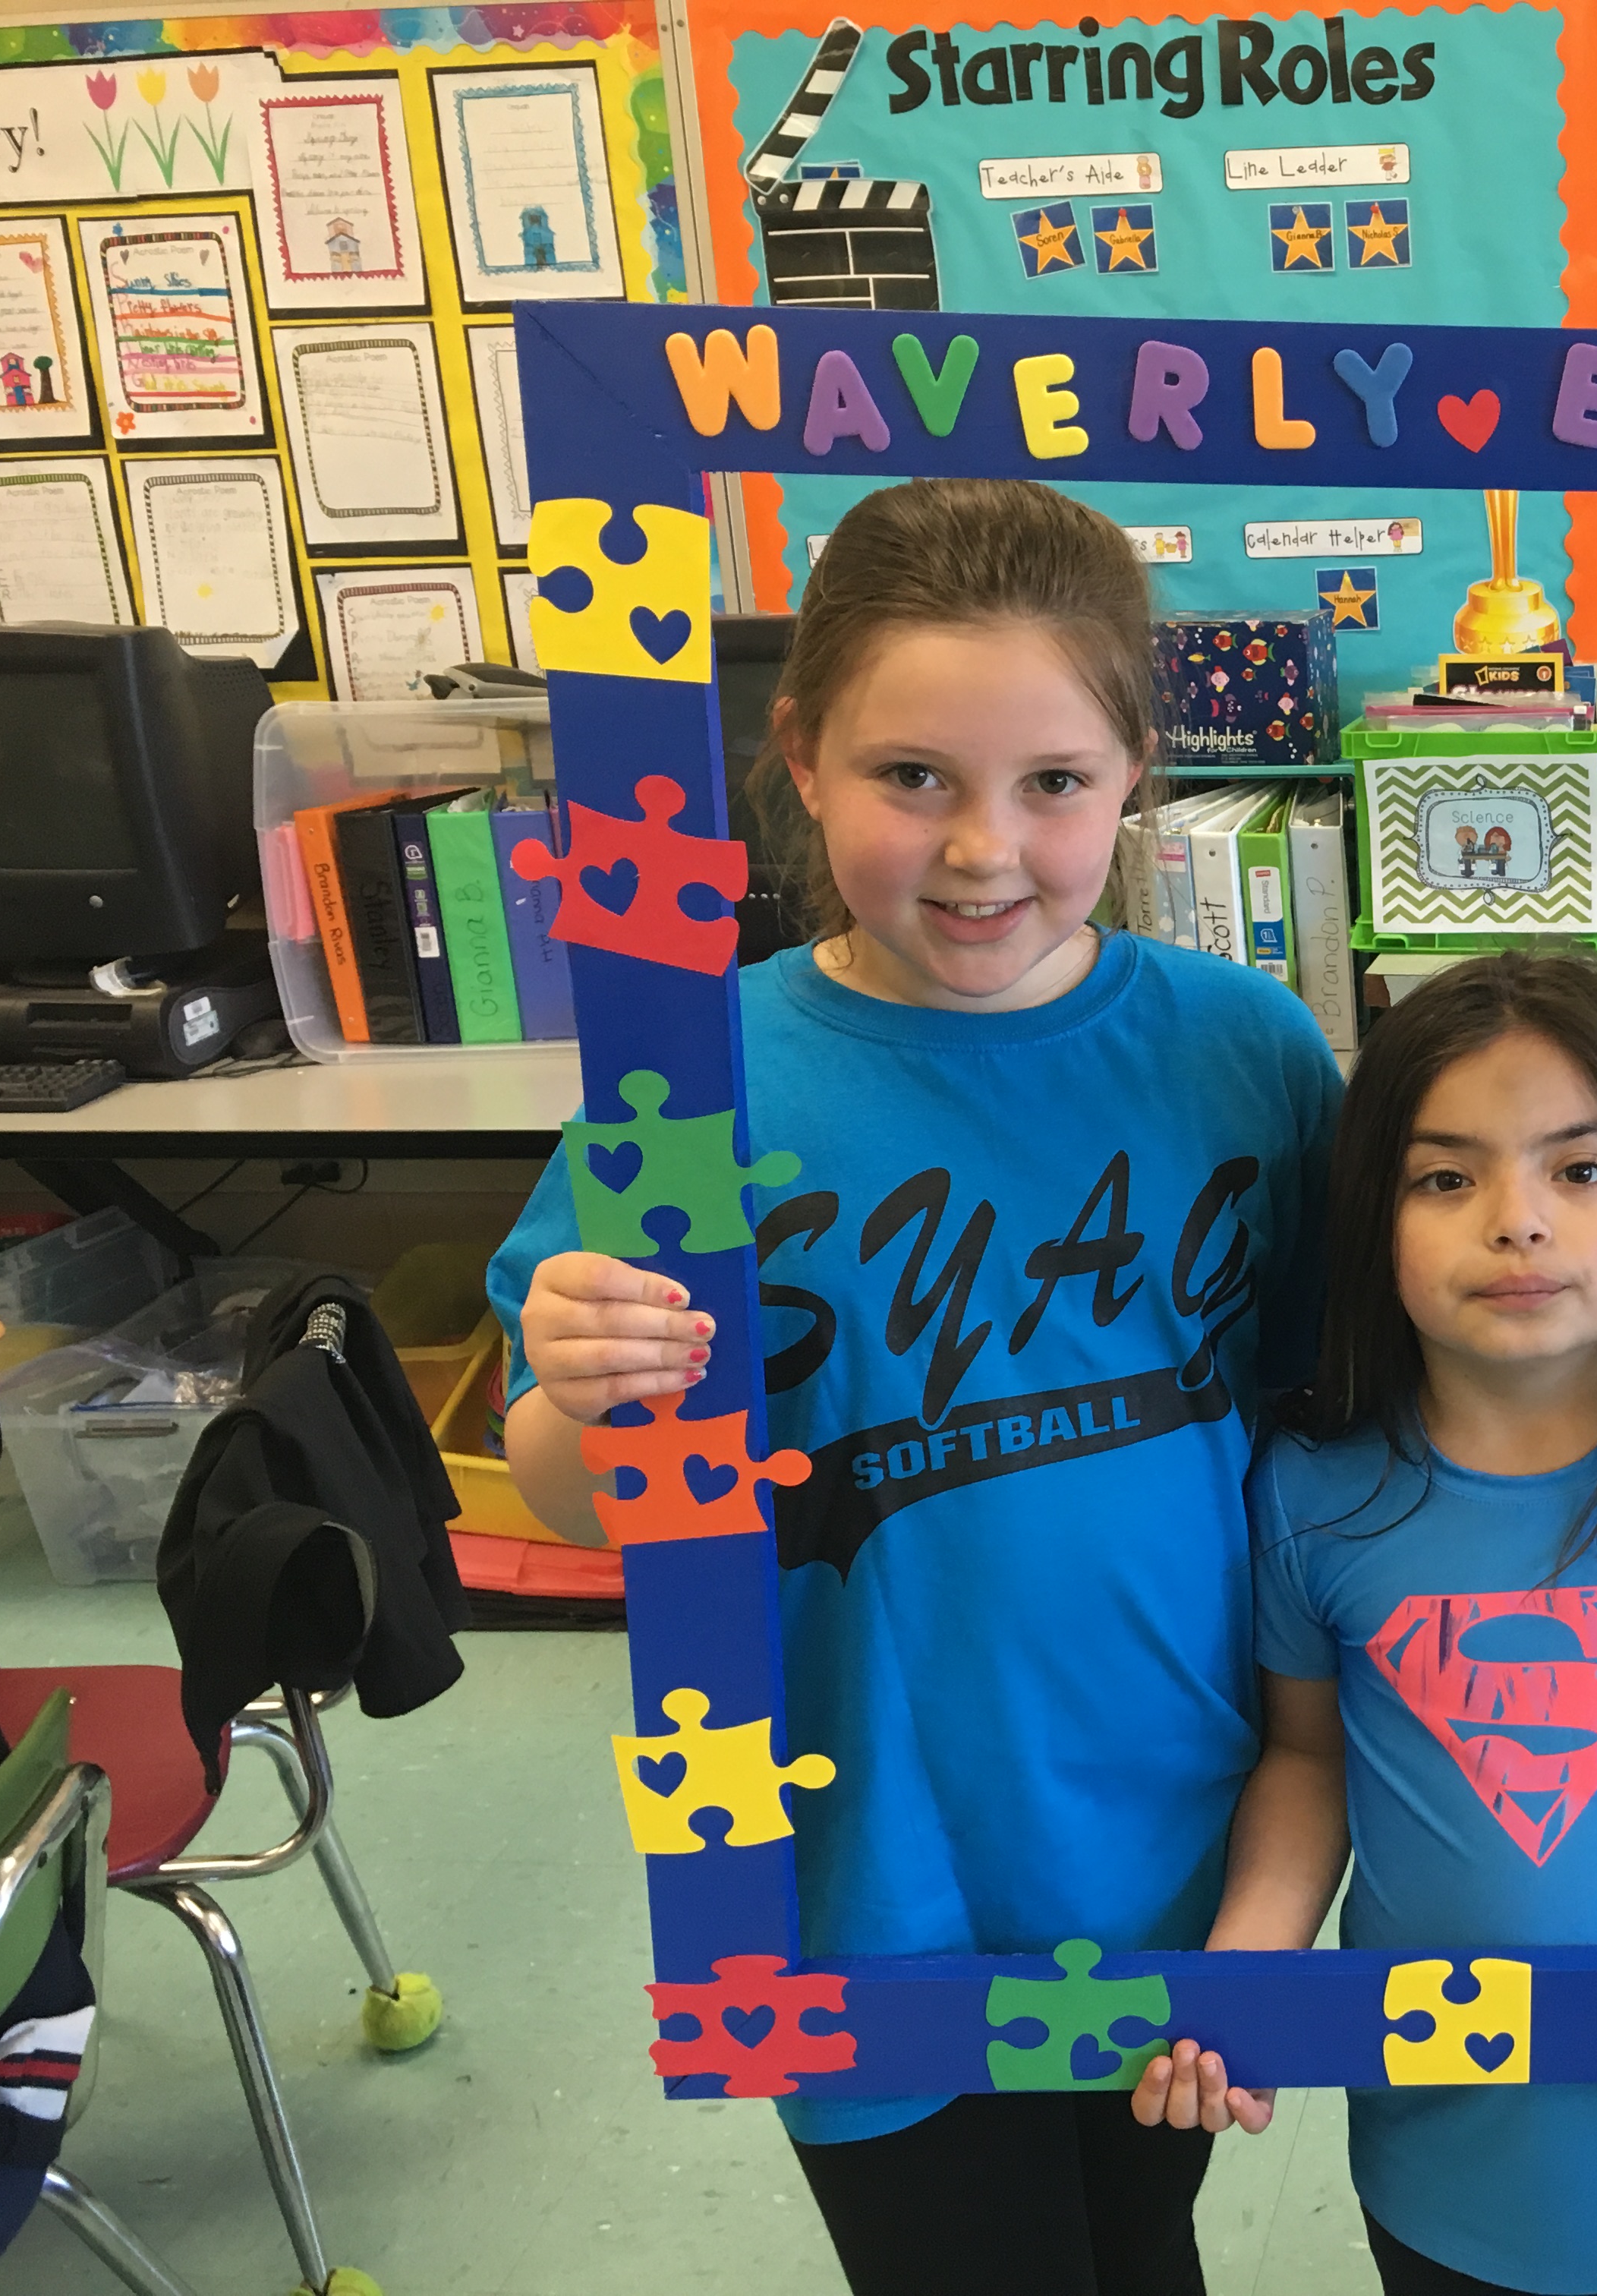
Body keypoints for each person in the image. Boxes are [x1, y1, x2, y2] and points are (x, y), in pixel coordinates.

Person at [489, 477, 1340, 2296]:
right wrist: (579, 1388)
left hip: (1170, 1836)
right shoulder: (699, 1079)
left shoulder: (1246, 1052)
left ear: (1136, 780)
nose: (981, 849)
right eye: (913, 777)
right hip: (867, 1870)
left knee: (1143, 2250)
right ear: (801, 759)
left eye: (1054, 782)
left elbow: (1317, 1440)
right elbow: (576, 1494)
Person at [1131, 952, 1597, 2296]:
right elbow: (1306, 1757)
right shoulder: (1310, 1491)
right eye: (1446, 1178)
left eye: (1580, 1169)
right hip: (1436, 2159)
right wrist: (1246, 1968)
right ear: (1373, 1223)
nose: (1518, 1222)